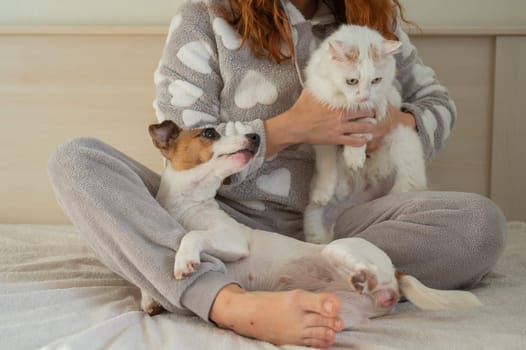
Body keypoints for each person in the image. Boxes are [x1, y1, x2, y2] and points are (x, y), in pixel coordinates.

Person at [48, 0, 506, 348]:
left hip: (338, 222)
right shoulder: (206, 15)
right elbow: (186, 140)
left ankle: (337, 272)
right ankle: (230, 302)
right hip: (213, 216)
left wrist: (386, 119)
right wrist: (287, 129)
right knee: (79, 162)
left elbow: (438, 107)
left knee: (477, 226)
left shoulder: (370, 24)